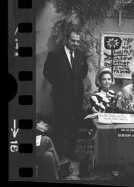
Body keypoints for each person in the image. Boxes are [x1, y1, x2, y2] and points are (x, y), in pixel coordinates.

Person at [43, 26, 88, 178]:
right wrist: (60, 84)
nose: (76, 43)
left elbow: (84, 72)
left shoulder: (81, 54)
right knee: (61, 127)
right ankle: (60, 155)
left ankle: (71, 152)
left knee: (74, 128)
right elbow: (47, 72)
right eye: (73, 40)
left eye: (78, 41)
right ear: (66, 39)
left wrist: (74, 86)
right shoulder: (55, 54)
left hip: (76, 98)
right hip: (61, 98)